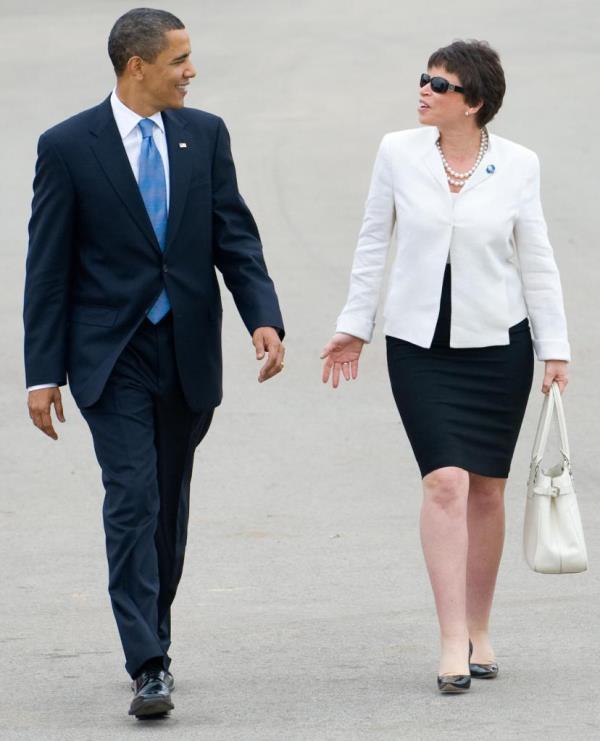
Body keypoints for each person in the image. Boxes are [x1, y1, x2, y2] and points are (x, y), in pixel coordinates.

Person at [23, 7, 285, 718]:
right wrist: (41, 373)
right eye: (180, 60)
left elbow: (235, 236)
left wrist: (262, 316)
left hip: (186, 350)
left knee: (167, 505)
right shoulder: (69, 146)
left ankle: (154, 638)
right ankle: (147, 661)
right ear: (136, 66)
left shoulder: (204, 136)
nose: (191, 71)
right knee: (133, 498)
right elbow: (46, 269)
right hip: (110, 354)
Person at [321, 40, 570, 694]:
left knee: (487, 487)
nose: (424, 90)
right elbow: (374, 238)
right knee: (445, 483)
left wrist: (555, 348)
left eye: (440, 83)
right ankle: (449, 636)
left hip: (498, 345)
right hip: (419, 345)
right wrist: (354, 324)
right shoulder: (397, 152)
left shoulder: (518, 165)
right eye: (424, 79)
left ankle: (480, 628)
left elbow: (537, 257)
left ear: (475, 102)